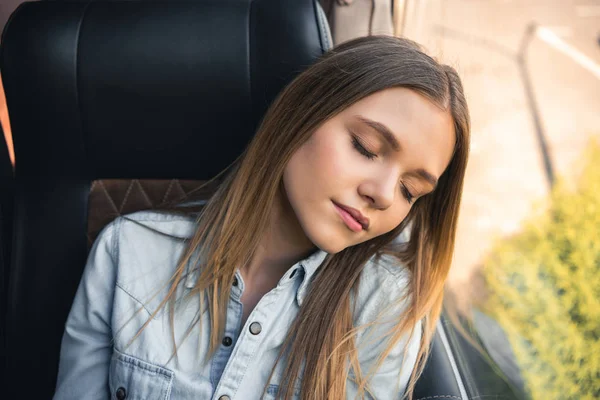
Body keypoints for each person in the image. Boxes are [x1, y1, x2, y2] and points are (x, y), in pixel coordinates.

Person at [53, 35, 470, 400]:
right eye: (365, 147)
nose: (382, 195)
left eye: (409, 191)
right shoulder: (128, 251)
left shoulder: (385, 307)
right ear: (302, 113)